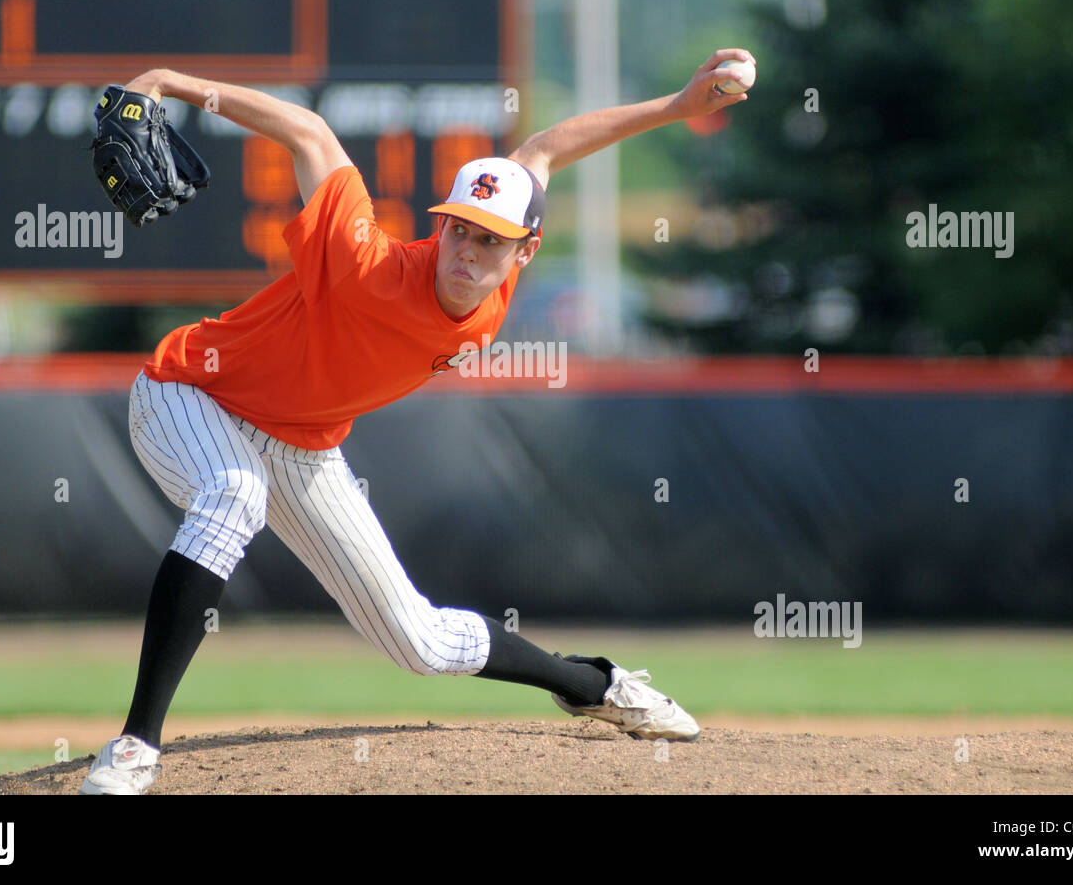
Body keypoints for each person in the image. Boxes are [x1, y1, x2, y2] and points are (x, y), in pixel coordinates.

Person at [80, 48, 754, 795]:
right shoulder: (363, 258)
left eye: (490, 238)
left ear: (525, 250)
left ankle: (595, 685)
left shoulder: (498, 283)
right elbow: (308, 132)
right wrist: (173, 83)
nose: (467, 250)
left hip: (302, 445)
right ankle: (137, 744)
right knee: (233, 494)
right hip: (187, 393)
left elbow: (548, 148)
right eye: (459, 228)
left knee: (421, 641)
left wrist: (676, 107)